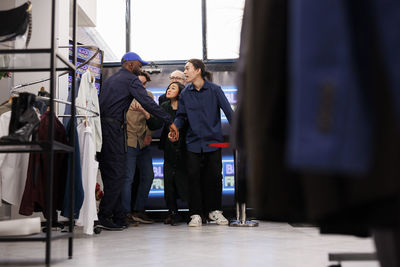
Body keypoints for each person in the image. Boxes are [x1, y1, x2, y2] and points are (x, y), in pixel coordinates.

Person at [97, 52, 179, 230]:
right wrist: (170, 121)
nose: (140, 67)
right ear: (130, 64)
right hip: (113, 129)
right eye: (138, 64)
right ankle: (104, 216)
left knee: (112, 173)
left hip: (102, 128)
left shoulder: (111, 79)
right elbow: (147, 103)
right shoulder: (131, 80)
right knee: (118, 174)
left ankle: (118, 217)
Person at [169, 59, 233, 227]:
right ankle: (195, 214)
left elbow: (229, 112)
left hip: (215, 142)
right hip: (192, 142)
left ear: (198, 70)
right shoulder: (185, 94)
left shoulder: (215, 90)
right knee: (193, 178)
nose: (185, 72)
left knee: (215, 177)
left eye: (187, 68)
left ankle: (215, 211)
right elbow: (181, 116)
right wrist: (175, 127)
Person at [122, 70, 155, 225]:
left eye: (144, 84)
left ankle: (138, 210)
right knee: (128, 178)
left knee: (148, 176)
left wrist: (149, 134)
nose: (141, 86)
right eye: (138, 83)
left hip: (144, 141)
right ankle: (125, 213)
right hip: (129, 140)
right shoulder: (124, 95)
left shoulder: (149, 96)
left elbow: (152, 117)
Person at [154, 82, 188, 225]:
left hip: (185, 148)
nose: (168, 90)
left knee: (185, 180)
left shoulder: (185, 106)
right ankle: (173, 213)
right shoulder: (164, 106)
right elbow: (154, 124)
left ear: (180, 93)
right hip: (169, 147)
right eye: (168, 87)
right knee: (168, 181)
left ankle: (195, 212)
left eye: (173, 88)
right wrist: (145, 113)